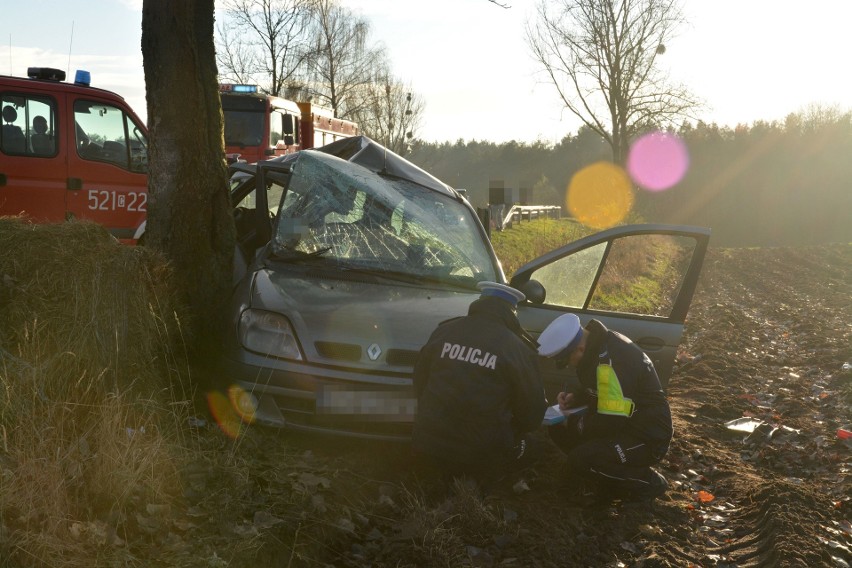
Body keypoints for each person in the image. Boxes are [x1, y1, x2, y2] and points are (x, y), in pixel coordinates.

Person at [412, 281, 547, 487]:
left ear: (480, 302)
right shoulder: (517, 348)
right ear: (512, 312)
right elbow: (532, 415)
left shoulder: (444, 331)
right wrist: (511, 428)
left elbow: (419, 382)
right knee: (536, 447)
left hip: (427, 442)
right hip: (479, 453)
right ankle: (490, 486)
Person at [537, 313, 672, 504]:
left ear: (579, 349)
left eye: (567, 360)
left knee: (582, 458)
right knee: (560, 429)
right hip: (625, 424)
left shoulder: (609, 364)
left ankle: (649, 483)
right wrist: (576, 397)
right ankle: (601, 475)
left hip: (646, 436)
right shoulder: (597, 346)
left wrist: (574, 422)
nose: (568, 365)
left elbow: (611, 421)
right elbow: (599, 389)